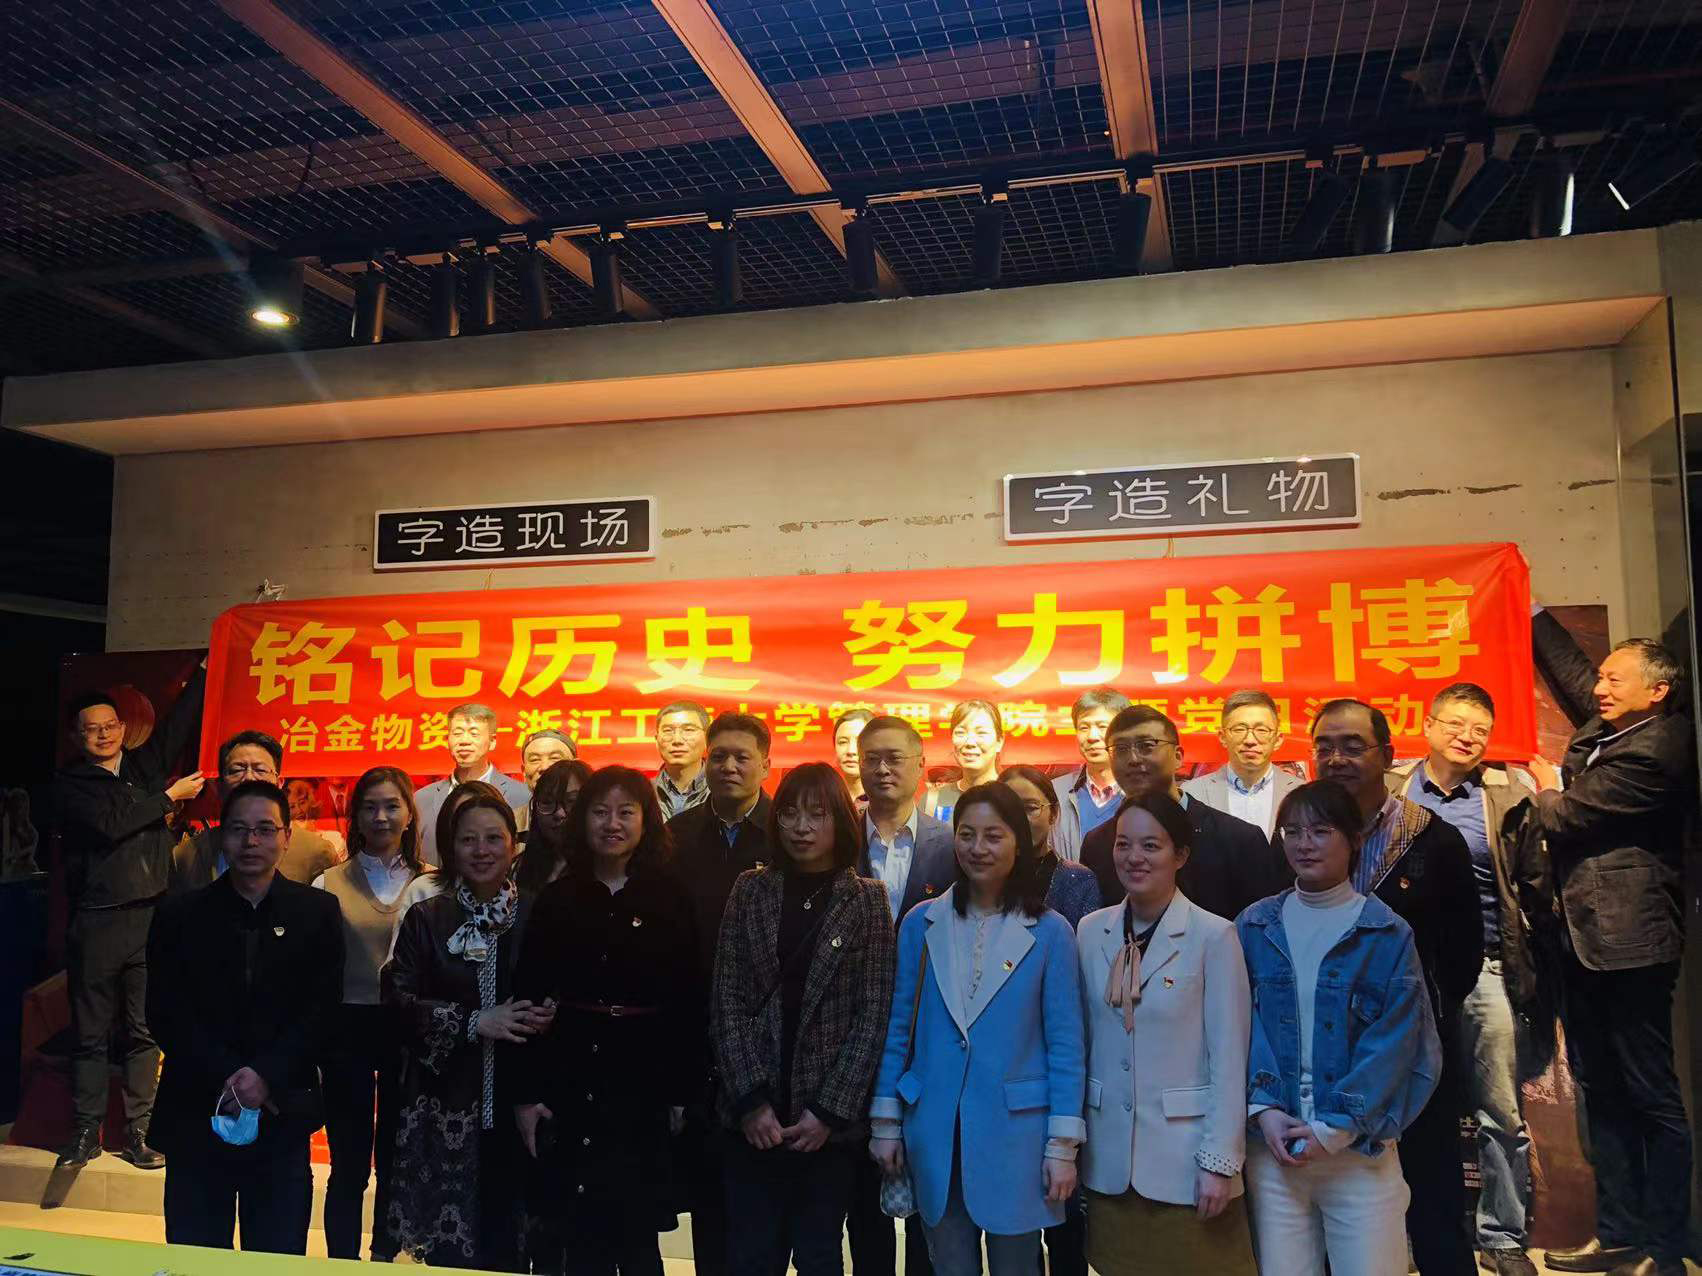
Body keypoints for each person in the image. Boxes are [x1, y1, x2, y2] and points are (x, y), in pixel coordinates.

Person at [1527, 625, 1695, 1276]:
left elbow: (1565, 816)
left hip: (1631, 943)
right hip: (1583, 940)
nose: (1599, 687)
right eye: (1601, 677)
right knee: (1600, 1090)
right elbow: (1576, 676)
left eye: (1613, 679)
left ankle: (1666, 1247)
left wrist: (1546, 785)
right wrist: (1531, 612)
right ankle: (1619, 1234)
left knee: (1651, 1095)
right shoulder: (1620, 725)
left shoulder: (1658, 749)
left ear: (1657, 692)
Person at [870, 782, 1085, 1276]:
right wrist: (885, 1122)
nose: (978, 848)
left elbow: (1066, 1046)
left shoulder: (1051, 931)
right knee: (947, 1262)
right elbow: (899, 1029)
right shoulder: (921, 923)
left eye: (993, 835)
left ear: (1018, 843)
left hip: (1017, 1134)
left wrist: (1063, 1146)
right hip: (934, 1127)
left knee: (1017, 1265)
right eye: (967, 835)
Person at [1305, 698, 1480, 1276]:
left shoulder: (1432, 840)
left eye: (1352, 746)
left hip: (1413, 1053)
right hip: (1325, 1054)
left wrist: (1412, 1022)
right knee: (1335, 1203)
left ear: (1386, 753)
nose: (1337, 758)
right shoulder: (1303, 840)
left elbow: (1461, 958)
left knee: (1433, 1200)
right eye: (1325, 747)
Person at [1238, 780, 1442, 1275]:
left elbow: (1398, 1042)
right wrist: (1264, 1109)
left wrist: (1334, 1128)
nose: (1303, 844)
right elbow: (1239, 1025)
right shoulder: (1254, 926)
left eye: (1320, 831)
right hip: (1275, 1146)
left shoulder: (1385, 931)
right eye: (1292, 831)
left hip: (1358, 1151)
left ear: (1355, 838)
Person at [711, 763, 895, 1276]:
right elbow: (726, 997)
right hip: (752, 1117)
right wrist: (751, 1101)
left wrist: (828, 1113)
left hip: (827, 1127)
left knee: (819, 1254)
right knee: (751, 1255)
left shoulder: (868, 900)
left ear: (841, 821)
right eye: (789, 813)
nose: (801, 827)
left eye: (817, 814)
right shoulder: (750, 889)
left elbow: (873, 1015)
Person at [512, 766, 698, 1276]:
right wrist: (526, 1095)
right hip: (572, 1070)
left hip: (644, 1075)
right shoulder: (558, 897)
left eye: (625, 812)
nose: (612, 824)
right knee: (579, 1232)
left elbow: (688, 1001)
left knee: (637, 1236)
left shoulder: (670, 896)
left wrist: (682, 1092)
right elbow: (528, 998)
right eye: (599, 812)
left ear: (646, 820)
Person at [145, 779, 344, 1253]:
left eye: (264, 829)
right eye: (238, 829)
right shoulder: (179, 913)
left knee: (276, 1254)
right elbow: (165, 1011)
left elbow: (321, 1010)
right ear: (222, 836)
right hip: (197, 1108)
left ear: (286, 837)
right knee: (196, 1254)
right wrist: (232, 1079)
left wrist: (266, 1076)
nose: (251, 841)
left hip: (281, 1111)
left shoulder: (316, 910)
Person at [1386, 684, 1540, 1276]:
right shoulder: (1393, 791)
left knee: (1499, 1108)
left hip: (1487, 968)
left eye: (1480, 728)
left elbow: (1530, 882)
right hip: (1403, 974)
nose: (1466, 737)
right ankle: (1404, 1231)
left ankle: (1502, 1236)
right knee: (1403, 1106)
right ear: (1427, 726)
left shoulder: (1505, 795)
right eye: (1454, 723)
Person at [1075, 793, 1255, 1275]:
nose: (1134, 857)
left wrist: (1220, 1160)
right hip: (1109, 1159)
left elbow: (1230, 1058)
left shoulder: (1214, 936)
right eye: (1123, 844)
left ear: (1181, 855)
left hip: (1186, 1159)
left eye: (1151, 845)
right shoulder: (1091, 932)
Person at [385, 793, 547, 1270]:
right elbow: (397, 1002)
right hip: (445, 1106)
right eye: (468, 839)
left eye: (493, 838)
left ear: (513, 845)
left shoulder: (538, 915)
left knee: (517, 1243)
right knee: (450, 1251)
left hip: (524, 1102)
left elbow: (564, 987)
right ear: (451, 848)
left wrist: (552, 1010)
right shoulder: (427, 917)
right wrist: (474, 1021)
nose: (481, 850)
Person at [53, 663, 205, 1170]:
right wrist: (168, 798)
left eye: (110, 725)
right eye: (91, 729)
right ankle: (84, 1131)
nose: (103, 735)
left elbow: (178, 724)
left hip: (151, 918)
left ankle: (140, 1132)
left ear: (124, 727)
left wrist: (206, 670)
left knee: (145, 1030)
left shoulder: (142, 766)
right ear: (77, 737)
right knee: (90, 1033)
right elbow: (109, 823)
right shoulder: (70, 784)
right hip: (97, 920)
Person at [666, 712, 775, 1276]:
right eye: (719, 756)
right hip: (695, 1033)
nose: (729, 766)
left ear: (765, 764)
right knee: (708, 1198)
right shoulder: (677, 835)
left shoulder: (787, 830)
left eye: (742, 757)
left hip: (768, 1038)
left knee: (764, 1208)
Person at [850, 715, 958, 1276]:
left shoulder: (952, 844)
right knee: (861, 1194)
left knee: (928, 1187)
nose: (883, 768)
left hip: (928, 1034)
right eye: (872, 758)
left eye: (895, 758)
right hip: (851, 1034)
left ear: (921, 765)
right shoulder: (837, 839)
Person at [312, 766, 422, 1262]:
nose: (381, 817)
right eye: (370, 807)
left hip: (406, 1028)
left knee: (397, 1156)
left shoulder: (429, 882)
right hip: (346, 1028)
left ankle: (384, 1255)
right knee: (349, 1161)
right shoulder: (327, 882)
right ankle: (341, 1260)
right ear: (355, 815)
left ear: (409, 814)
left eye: (392, 806)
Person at [997, 764, 1095, 1276]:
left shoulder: (1077, 880)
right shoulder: (981, 880)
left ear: (1052, 813)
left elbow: (1080, 976)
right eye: (1008, 807)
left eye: (1030, 806)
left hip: (1059, 1052)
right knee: (1014, 1213)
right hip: (1005, 1060)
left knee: (1064, 1210)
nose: (1019, 817)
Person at [1079, 706, 1287, 923]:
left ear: (1178, 757)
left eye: (1146, 746)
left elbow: (1262, 929)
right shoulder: (1098, 844)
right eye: (1120, 749)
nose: (1133, 758)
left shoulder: (1240, 839)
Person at [171, 730, 339, 891]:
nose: (249, 778)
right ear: (219, 785)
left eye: (260, 770)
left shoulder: (316, 852)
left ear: (279, 783)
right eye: (237, 770)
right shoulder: (186, 854)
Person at [413, 703, 531, 867]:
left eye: (474, 734)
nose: (464, 741)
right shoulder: (421, 799)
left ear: (492, 741)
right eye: (457, 733)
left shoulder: (522, 796)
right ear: (447, 740)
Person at [1182, 690, 1302, 837]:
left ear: (1277, 739)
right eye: (1239, 729)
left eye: (1261, 730)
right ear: (1223, 737)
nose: (1250, 740)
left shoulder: (1300, 792)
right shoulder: (1192, 792)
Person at [1050, 688, 1132, 862]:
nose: (1092, 736)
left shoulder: (1143, 793)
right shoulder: (1054, 792)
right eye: (1084, 727)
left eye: (1102, 726)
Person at [514, 759, 591, 891]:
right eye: (547, 802)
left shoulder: (609, 868)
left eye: (572, 801)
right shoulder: (518, 867)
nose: (559, 813)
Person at [922, 701, 1004, 824]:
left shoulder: (1016, 796)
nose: (969, 742)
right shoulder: (933, 800)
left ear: (999, 742)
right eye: (960, 732)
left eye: (981, 733)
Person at [516, 729, 578, 837]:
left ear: (576, 766)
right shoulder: (511, 823)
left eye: (554, 758)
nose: (544, 767)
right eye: (535, 759)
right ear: (523, 771)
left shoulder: (590, 818)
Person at [654, 701, 711, 819]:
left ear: (707, 739)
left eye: (688, 730)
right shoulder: (641, 793)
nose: (677, 740)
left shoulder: (724, 791)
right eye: (668, 730)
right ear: (656, 741)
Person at [833, 709, 875, 810]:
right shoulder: (826, 800)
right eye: (843, 742)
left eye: (859, 742)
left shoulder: (889, 800)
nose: (851, 751)